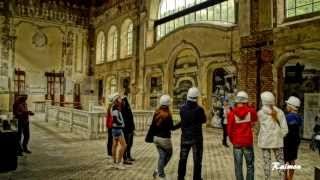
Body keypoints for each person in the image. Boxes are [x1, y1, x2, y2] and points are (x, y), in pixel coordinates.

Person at [176, 87, 207, 180]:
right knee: (197, 160)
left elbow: (183, 120)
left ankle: (180, 177)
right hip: (196, 139)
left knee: (182, 159)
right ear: (196, 97)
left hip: (185, 138)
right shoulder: (199, 109)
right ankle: (196, 178)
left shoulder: (182, 109)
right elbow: (204, 120)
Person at [258, 91, 288, 180]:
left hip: (265, 141)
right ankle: (282, 178)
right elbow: (285, 128)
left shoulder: (260, 113)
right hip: (277, 140)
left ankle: (267, 178)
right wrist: (280, 135)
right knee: (280, 161)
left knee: (266, 162)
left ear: (263, 101)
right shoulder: (280, 112)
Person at [227, 91, 257, 180]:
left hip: (237, 143)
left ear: (237, 101)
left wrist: (233, 140)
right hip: (247, 142)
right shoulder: (251, 111)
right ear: (246, 101)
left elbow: (229, 130)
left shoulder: (232, 114)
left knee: (238, 166)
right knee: (250, 165)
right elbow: (255, 120)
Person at [150, 95, 179, 180]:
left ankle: (158, 171)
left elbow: (153, 125)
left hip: (156, 139)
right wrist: (181, 123)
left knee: (162, 156)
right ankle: (161, 174)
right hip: (164, 139)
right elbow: (172, 128)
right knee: (169, 154)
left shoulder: (156, 112)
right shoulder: (167, 115)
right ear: (168, 104)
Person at [283, 96, 302, 180]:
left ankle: (285, 177)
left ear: (291, 106)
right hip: (295, 142)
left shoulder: (287, 117)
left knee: (285, 160)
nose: (286, 107)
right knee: (292, 160)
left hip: (287, 142)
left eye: (287, 105)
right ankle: (290, 177)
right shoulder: (299, 117)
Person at [110, 93, 127, 169]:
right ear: (116, 99)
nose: (121, 99)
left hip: (115, 129)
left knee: (115, 145)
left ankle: (114, 163)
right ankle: (119, 163)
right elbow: (115, 120)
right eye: (119, 98)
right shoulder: (115, 108)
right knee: (124, 145)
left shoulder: (115, 107)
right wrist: (122, 123)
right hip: (118, 129)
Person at [121, 92, 135, 163]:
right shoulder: (123, 110)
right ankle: (125, 158)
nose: (123, 102)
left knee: (130, 144)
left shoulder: (128, 108)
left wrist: (133, 129)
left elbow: (131, 119)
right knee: (126, 144)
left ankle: (129, 156)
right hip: (126, 130)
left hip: (130, 129)